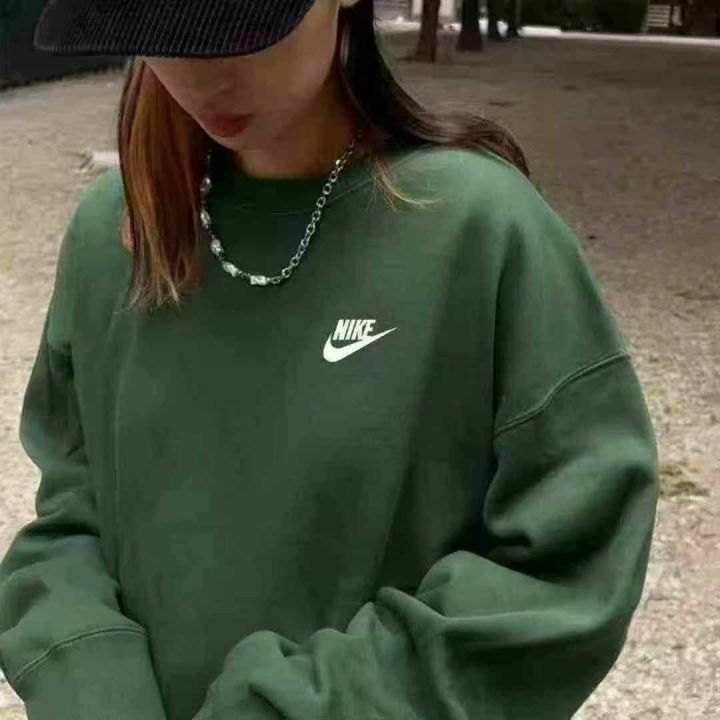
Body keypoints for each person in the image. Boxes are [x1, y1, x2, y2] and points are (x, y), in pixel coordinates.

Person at [0, 1, 659, 719]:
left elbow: (564, 564)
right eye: (159, 31)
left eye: (238, 26)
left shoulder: (482, 229)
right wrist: (93, 688)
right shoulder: (116, 235)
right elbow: (70, 515)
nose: (199, 75)